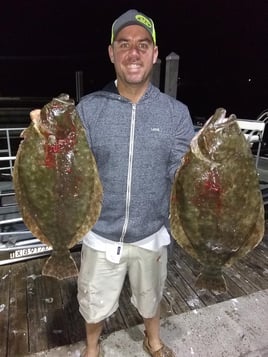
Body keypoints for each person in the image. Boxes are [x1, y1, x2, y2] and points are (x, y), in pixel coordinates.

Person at [76, 9, 195, 357]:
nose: (134, 53)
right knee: (94, 303)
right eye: (124, 44)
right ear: (112, 53)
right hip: (99, 232)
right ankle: (93, 347)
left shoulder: (176, 113)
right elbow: (74, 170)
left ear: (154, 55)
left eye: (143, 45)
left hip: (151, 231)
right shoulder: (88, 109)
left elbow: (181, 172)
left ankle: (152, 340)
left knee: (150, 297)